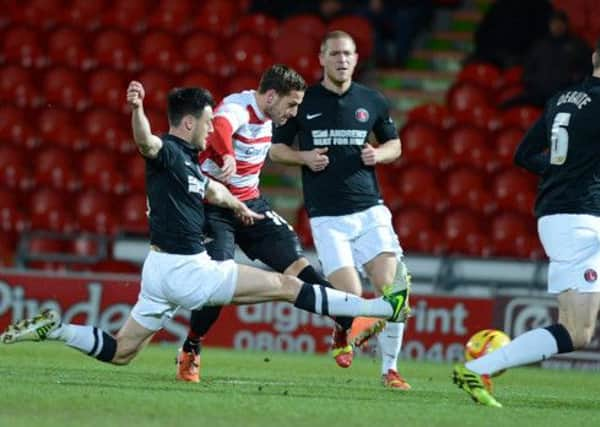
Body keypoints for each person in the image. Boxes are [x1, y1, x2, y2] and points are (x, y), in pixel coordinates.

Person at [0, 81, 411, 368]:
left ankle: (54, 330)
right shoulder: (168, 152)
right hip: (188, 271)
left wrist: (241, 208)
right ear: (188, 123)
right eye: (208, 121)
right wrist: (138, 109)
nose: (213, 128)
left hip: (158, 273)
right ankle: (380, 307)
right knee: (288, 286)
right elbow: (145, 141)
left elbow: (216, 194)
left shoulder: (195, 167)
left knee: (121, 351)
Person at [176, 64, 354, 383]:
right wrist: (226, 154)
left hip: (252, 206)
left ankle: (344, 320)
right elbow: (220, 127)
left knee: (298, 266)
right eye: (292, 104)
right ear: (271, 95)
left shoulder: (271, 117)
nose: (295, 112)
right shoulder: (237, 106)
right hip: (214, 208)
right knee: (217, 283)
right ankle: (191, 347)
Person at [452, 39, 600, 408]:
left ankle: (480, 367)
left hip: (560, 215)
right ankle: (480, 367)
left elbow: (523, 154)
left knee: (575, 331)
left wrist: (559, 172)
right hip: (582, 219)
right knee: (577, 332)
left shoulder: (563, 98)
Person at [270, 31, 412, 390]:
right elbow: (276, 150)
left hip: (370, 211)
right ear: (321, 58)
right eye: (334, 54)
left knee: (392, 288)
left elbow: (395, 144)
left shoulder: (372, 100)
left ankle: (390, 370)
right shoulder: (303, 101)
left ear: (356, 58)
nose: (342, 60)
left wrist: (377, 154)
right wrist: (304, 157)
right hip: (327, 216)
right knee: (349, 299)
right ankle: (342, 328)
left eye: (348, 54)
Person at [502, 9, 592, 108]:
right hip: (538, 93)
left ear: (566, 24)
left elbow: (588, 68)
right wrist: (532, 83)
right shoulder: (540, 46)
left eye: (560, 23)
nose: (557, 26)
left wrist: (575, 81)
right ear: (549, 25)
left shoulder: (578, 46)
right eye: (554, 23)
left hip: (565, 95)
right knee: (508, 105)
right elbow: (527, 69)